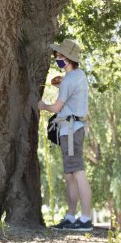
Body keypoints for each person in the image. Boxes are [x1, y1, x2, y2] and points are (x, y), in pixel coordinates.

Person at [38, 39, 92, 231]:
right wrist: (62, 86)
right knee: (70, 175)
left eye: (60, 56)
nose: (57, 58)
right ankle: (71, 216)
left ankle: (85, 219)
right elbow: (72, 95)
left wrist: (43, 106)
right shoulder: (78, 76)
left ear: (68, 59)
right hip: (72, 129)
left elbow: (56, 107)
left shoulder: (69, 80)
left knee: (77, 172)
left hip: (70, 131)